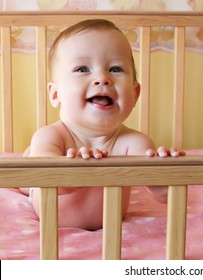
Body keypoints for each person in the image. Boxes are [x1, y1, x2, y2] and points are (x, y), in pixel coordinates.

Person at [21, 19, 184, 230]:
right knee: (28, 175)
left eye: (115, 69)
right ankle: (26, 164)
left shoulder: (134, 143)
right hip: (45, 196)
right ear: (55, 94)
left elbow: (164, 195)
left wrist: (166, 177)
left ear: (135, 94)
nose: (102, 78)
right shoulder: (50, 136)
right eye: (82, 69)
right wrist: (73, 172)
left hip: (110, 232)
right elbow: (48, 178)